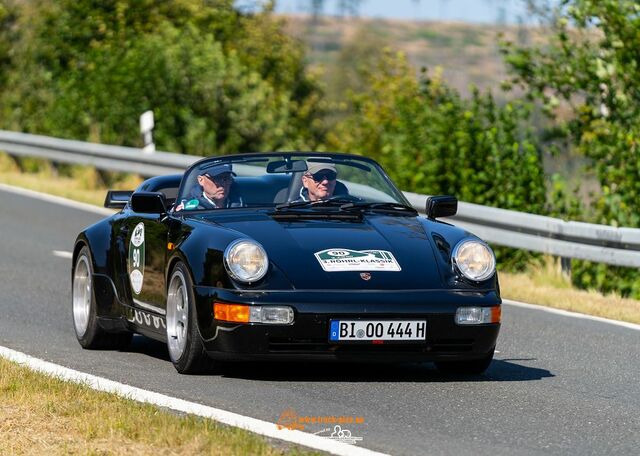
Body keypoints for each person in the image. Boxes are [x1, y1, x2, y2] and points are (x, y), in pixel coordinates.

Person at [176, 163, 243, 211]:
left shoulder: (241, 203)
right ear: (201, 180)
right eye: (217, 178)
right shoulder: (188, 208)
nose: (223, 184)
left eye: (227, 178)